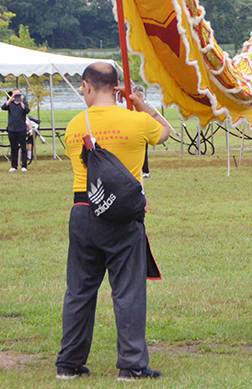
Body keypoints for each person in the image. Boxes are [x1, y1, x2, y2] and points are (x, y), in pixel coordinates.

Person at [56, 62, 172, 381]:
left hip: (83, 210)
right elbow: (165, 132)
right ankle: (131, 364)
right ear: (116, 86)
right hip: (122, 214)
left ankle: (69, 363)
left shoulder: (73, 125)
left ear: (88, 86)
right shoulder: (136, 122)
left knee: (79, 291)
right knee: (127, 292)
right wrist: (140, 105)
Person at [2, 89, 30, 172]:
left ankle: (24, 165)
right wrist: (11, 99)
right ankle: (14, 166)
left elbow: (26, 111)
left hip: (21, 128)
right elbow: (3, 107)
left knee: (23, 147)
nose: (16, 97)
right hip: (12, 129)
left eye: (18, 94)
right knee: (13, 148)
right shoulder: (10, 103)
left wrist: (21, 101)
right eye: (15, 95)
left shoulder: (24, 103)